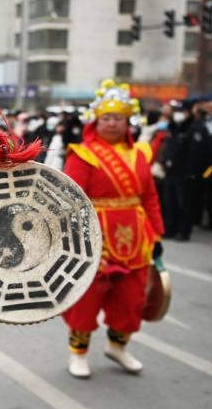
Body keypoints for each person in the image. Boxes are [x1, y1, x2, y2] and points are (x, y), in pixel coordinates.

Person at [61, 80, 164, 379]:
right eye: (106, 118)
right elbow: (69, 199)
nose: (112, 123)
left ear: (127, 121)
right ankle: (78, 353)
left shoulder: (141, 154)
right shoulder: (82, 154)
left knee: (131, 299)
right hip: (95, 234)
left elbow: (150, 197)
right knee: (87, 298)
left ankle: (118, 346)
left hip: (135, 232)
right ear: (96, 121)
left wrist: (156, 233)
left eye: (117, 118)